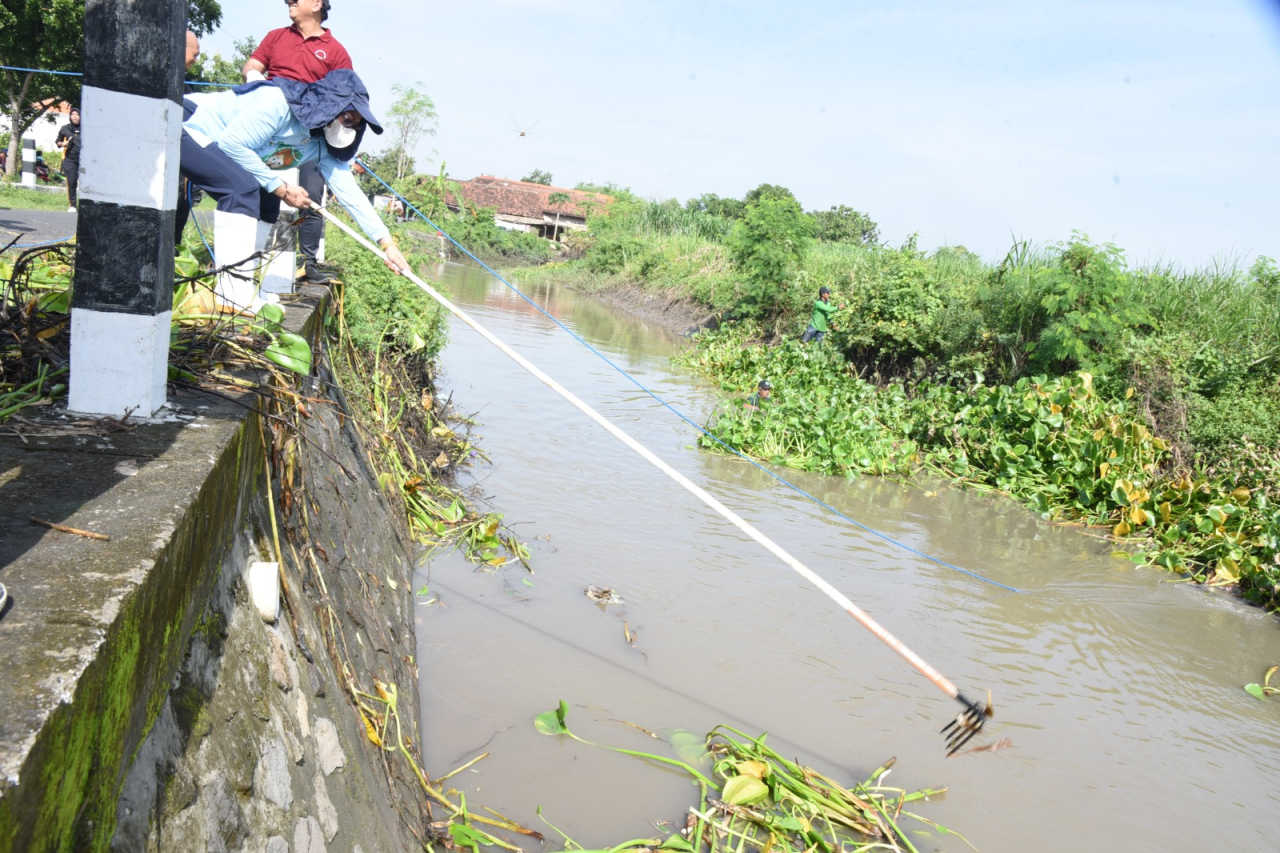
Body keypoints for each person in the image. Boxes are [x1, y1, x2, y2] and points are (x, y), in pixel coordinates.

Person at [179, 68, 408, 314]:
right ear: (330, 106)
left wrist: (387, 244)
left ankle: (246, 286)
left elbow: (351, 195)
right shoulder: (280, 104)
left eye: (355, 124)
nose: (350, 127)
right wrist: (281, 186)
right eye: (348, 118)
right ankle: (231, 293)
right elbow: (232, 144)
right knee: (242, 189)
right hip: (189, 124)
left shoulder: (319, 144)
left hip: (219, 143)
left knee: (268, 202)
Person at [243, 0, 354, 284]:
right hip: (271, 128)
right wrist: (259, 84)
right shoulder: (276, 36)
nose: (288, 1)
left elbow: (344, 99)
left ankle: (309, 263)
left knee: (311, 198)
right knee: (257, 188)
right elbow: (251, 67)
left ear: (317, 3)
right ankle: (245, 260)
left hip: (311, 135)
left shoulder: (336, 52)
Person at [54, 107, 81, 212]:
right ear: (70, 116)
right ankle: (73, 205)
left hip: (84, 160)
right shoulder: (65, 128)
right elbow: (58, 141)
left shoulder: (87, 129)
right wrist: (62, 144)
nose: (75, 116)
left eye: (77, 114)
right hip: (70, 160)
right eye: (73, 114)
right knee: (72, 182)